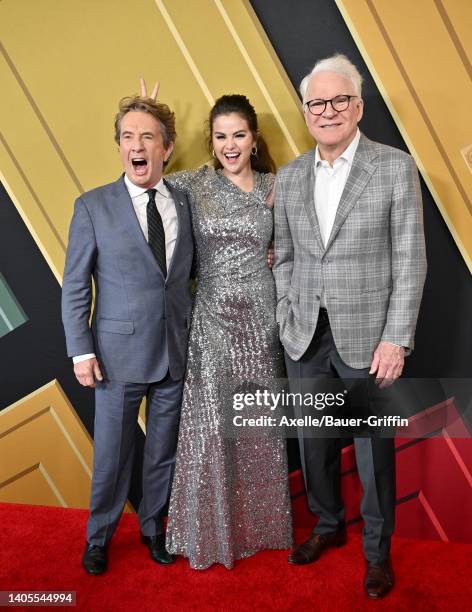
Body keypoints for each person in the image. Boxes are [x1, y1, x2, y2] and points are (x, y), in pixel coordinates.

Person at [273, 54, 426, 598]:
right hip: (304, 334)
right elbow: (284, 255)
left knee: (371, 447)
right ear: (307, 112)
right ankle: (327, 525)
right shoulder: (290, 177)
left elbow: (410, 257)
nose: (328, 111)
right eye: (318, 103)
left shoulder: (393, 166)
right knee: (314, 442)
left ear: (358, 107)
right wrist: (286, 310)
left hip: (368, 338)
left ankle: (377, 553)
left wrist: (396, 337)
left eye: (340, 101)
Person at [153, 90, 293, 569]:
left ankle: (264, 527)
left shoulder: (277, 185)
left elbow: (295, 246)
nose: (229, 145)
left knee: (257, 423)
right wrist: (154, 118)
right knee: (212, 426)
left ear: (253, 139)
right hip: (212, 318)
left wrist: (276, 254)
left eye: (238, 135)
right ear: (210, 142)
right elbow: (146, 176)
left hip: (261, 319)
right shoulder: (193, 184)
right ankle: (209, 534)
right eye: (220, 136)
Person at [61, 95, 194, 574]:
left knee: (164, 452)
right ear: (119, 146)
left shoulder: (183, 200)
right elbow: (75, 285)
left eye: (147, 137)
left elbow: (188, 273)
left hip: (175, 353)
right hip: (115, 357)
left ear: (167, 148)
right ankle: (99, 538)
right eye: (127, 137)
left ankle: (154, 528)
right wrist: (81, 351)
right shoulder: (93, 206)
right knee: (113, 458)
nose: (136, 146)